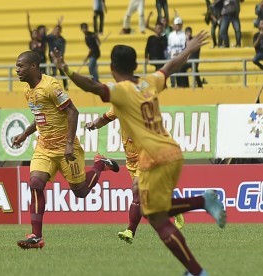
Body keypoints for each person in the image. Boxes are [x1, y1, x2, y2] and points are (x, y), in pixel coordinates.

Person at [50, 31, 226, 276]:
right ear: (135, 65)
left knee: (156, 216)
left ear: (112, 67)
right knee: (155, 212)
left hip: (155, 156)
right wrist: (188, 49)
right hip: (171, 151)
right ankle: (196, 260)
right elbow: (171, 66)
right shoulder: (149, 81)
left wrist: (65, 69)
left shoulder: (120, 91)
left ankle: (201, 226)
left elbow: (91, 85)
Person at [14, 50, 120, 249]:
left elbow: (73, 111)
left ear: (34, 67)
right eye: (17, 66)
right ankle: (36, 236)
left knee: (81, 192)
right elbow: (40, 117)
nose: (17, 70)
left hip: (65, 147)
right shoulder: (29, 91)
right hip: (44, 147)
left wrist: (69, 143)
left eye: (21, 66)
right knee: (35, 183)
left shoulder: (51, 86)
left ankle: (99, 164)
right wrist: (25, 135)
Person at [85, 108, 184, 244]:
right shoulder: (118, 107)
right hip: (131, 161)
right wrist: (93, 125)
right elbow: (104, 119)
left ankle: (130, 231)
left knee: (136, 192)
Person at [47, 19, 68, 90]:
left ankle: (66, 86)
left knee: (62, 71)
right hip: (52, 57)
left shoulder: (62, 40)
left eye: (58, 30)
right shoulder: (51, 38)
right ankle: (52, 87)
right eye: (56, 30)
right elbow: (46, 37)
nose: (57, 31)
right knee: (53, 72)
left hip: (59, 57)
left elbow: (62, 49)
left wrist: (60, 57)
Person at [167, 17, 188, 87]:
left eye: (179, 25)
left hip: (181, 58)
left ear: (181, 25)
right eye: (176, 24)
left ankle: (182, 86)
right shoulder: (171, 35)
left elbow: (185, 47)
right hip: (172, 58)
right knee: (172, 74)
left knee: (181, 75)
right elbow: (169, 46)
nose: (178, 26)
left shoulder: (184, 35)